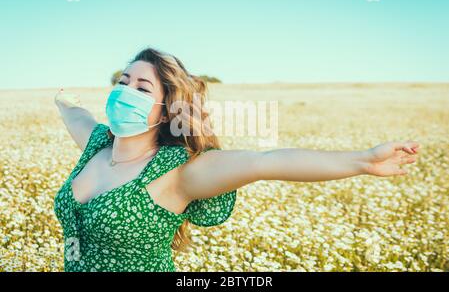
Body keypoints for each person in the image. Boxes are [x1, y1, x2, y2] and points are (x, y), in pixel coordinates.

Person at [53, 47, 420, 272]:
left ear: (167, 112)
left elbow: (266, 162)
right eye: (123, 81)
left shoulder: (178, 172)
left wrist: (363, 161)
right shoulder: (97, 144)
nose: (124, 93)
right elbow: (76, 116)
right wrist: (62, 100)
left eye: (141, 88)